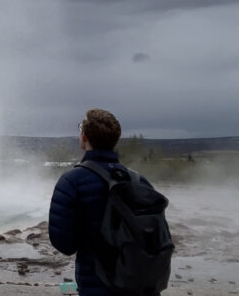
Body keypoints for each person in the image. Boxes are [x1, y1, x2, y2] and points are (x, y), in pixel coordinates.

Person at [48, 109, 159, 296]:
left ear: (84, 137)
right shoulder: (140, 181)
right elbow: (157, 239)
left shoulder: (71, 182)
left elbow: (64, 244)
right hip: (142, 287)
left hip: (98, 287)